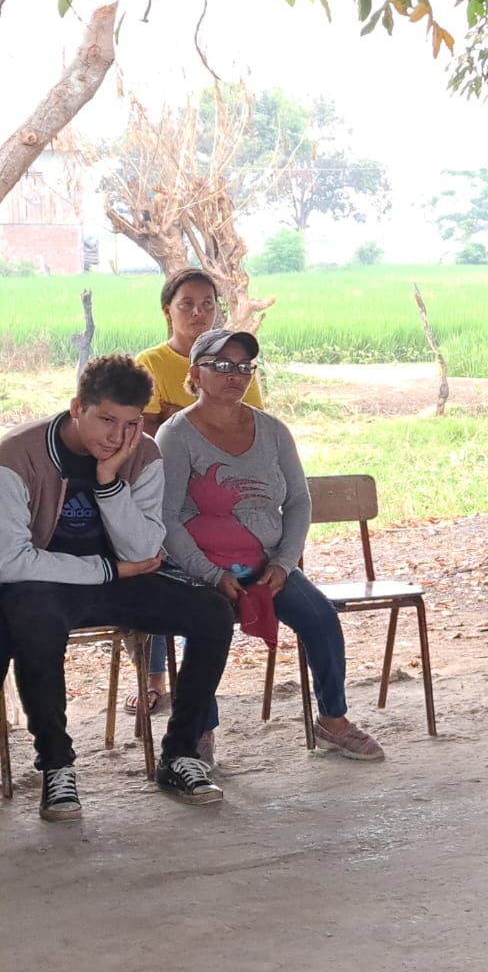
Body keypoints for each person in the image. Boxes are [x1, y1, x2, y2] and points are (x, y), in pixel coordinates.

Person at [0, 354, 230, 819]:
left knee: (212, 612)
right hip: (44, 583)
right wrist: (108, 570)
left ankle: (180, 754)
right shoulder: (16, 456)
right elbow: (11, 561)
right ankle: (57, 766)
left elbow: (143, 549)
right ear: (76, 408)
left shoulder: (143, 454)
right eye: (106, 419)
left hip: (122, 579)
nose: (117, 436)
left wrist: (108, 483)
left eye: (130, 423)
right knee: (33, 619)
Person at [156, 329, 384, 765]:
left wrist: (283, 564)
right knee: (206, 627)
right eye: (221, 366)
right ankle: (199, 729)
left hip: (266, 563)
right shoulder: (176, 435)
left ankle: (333, 720)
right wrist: (210, 574)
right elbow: (166, 517)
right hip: (198, 568)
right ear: (195, 375)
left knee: (320, 617)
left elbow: (298, 501)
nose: (235, 375)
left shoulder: (274, 430)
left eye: (244, 367)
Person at [134, 268, 265, 709]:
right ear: (167, 311)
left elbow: (250, 428)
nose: (198, 312)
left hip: (221, 500)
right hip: (162, 495)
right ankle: (154, 678)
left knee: (208, 594)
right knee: (153, 569)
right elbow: (146, 435)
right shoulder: (151, 364)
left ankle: (196, 686)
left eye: (207, 303)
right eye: (187, 304)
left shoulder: (238, 368)